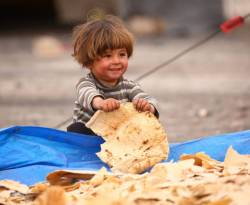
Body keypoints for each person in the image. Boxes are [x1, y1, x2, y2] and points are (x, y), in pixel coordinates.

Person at [67, 14, 159, 135]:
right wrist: (101, 103)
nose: (116, 61)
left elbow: (148, 99)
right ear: (89, 62)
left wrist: (147, 106)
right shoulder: (86, 83)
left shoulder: (129, 86)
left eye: (122, 54)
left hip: (116, 136)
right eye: (108, 56)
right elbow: (88, 94)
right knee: (76, 128)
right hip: (90, 136)